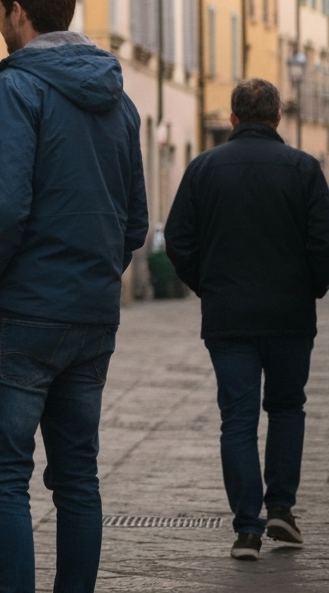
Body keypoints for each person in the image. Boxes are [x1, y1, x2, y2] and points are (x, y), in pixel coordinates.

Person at [0, 0, 148, 593]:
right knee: (78, 476)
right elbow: (134, 224)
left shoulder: (17, 87)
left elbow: (3, 207)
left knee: (3, 478)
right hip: (91, 316)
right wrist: (93, 275)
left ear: (16, 12)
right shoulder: (119, 103)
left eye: (3, 11)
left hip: (19, 314)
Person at [164, 78, 329, 561]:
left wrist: (208, 287)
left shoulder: (203, 169)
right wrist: (312, 289)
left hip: (228, 316)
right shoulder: (304, 169)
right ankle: (281, 506)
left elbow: (179, 241)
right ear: (278, 118)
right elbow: (323, 241)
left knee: (236, 419)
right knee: (286, 408)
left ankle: (247, 528)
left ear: (233, 119)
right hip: (289, 316)